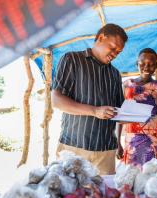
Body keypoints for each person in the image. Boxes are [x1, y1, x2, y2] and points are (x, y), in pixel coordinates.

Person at [51, 23, 128, 175]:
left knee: (103, 197)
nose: (114, 54)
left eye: (118, 52)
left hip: (105, 152)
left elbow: (119, 111)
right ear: (101, 37)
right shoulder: (72, 60)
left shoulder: (115, 74)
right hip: (74, 148)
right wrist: (94, 111)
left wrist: (133, 116)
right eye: (112, 48)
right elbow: (57, 100)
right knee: (70, 195)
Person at [117, 48, 157, 165]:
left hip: (153, 141)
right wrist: (118, 143)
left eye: (151, 65)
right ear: (137, 64)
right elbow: (120, 115)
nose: (146, 68)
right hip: (131, 140)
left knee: (151, 176)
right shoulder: (127, 85)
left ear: (156, 66)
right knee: (131, 176)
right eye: (142, 64)